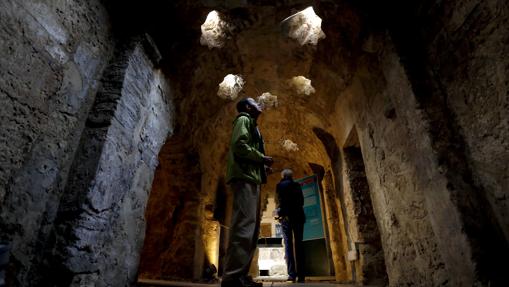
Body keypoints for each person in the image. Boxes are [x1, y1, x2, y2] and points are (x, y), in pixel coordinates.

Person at [221, 97, 274, 287]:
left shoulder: (251, 123)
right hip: (244, 177)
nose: (259, 105)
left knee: (249, 229)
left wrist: (261, 167)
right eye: (255, 102)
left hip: (251, 177)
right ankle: (232, 278)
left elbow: (246, 149)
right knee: (243, 225)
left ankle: (240, 275)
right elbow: (240, 146)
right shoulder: (243, 119)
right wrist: (262, 158)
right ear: (247, 107)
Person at [276, 169, 305, 283]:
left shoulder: (280, 185)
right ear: (292, 176)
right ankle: (302, 276)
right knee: (299, 244)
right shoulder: (297, 185)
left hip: (287, 218)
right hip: (298, 217)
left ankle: (292, 275)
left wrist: (280, 214)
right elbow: (301, 201)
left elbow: (280, 201)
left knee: (288, 245)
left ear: (283, 176)